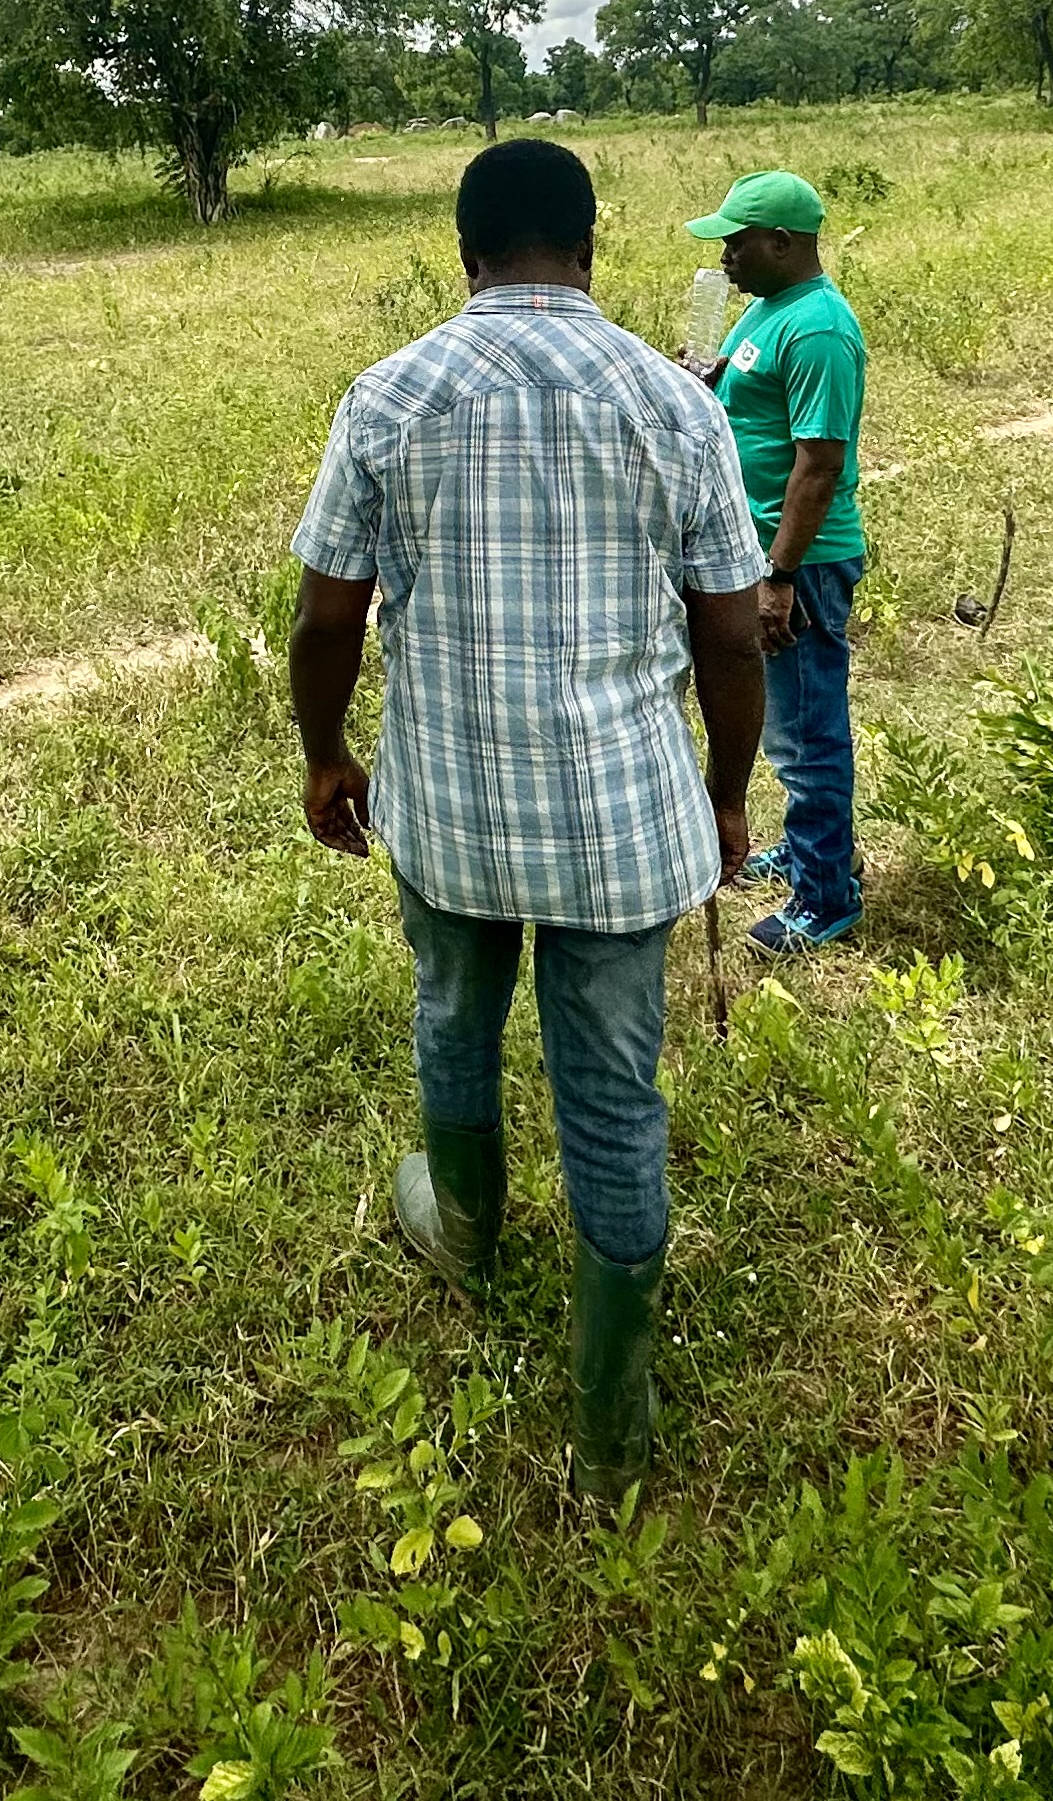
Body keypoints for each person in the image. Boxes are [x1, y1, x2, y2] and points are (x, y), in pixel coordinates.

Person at [289, 138, 768, 1509]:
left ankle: (468, 1229)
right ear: (592, 249)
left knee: (453, 1014)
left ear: (464, 254)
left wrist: (326, 756)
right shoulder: (671, 402)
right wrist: (725, 791)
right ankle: (612, 1417)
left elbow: (327, 617)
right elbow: (730, 635)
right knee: (613, 1095)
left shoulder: (390, 395)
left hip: (445, 804)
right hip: (621, 822)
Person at [682, 170, 872, 958]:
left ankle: (827, 895)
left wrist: (779, 577)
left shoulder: (820, 328)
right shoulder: (765, 311)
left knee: (807, 732)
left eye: (736, 242)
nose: (724, 256)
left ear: (782, 243)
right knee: (785, 727)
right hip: (755, 549)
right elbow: (747, 399)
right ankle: (806, 852)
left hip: (802, 562)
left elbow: (819, 462)